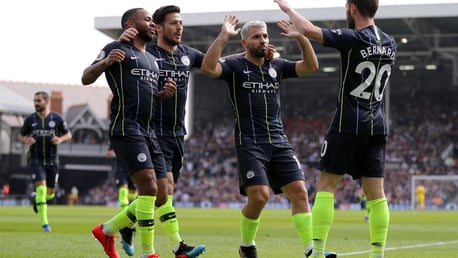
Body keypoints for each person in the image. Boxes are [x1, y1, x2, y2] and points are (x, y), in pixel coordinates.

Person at [200, 16, 336, 258]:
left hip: (279, 141)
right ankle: (246, 245)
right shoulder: (235, 69)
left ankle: (311, 249)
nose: (262, 40)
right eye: (256, 37)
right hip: (251, 143)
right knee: (260, 196)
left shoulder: (277, 66)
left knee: (300, 192)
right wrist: (223, 37)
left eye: (265, 36)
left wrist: (301, 37)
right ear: (244, 43)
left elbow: (310, 66)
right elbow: (209, 68)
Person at [274, 0, 397, 257]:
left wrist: (287, 8)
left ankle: (317, 252)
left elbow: (308, 28)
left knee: (326, 186)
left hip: (348, 122)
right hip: (377, 124)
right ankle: (378, 254)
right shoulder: (391, 42)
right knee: (377, 194)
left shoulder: (353, 38)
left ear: (353, 8)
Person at [81, 8, 176, 258]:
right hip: (126, 127)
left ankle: (107, 230)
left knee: (163, 194)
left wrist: (162, 95)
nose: (154, 25)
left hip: (150, 132)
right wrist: (106, 62)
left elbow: (145, 95)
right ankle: (149, 253)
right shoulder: (117, 47)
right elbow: (85, 77)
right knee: (149, 188)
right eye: (148, 20)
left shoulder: (153, 60)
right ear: (131, 24)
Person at [119, 5, 206, 258]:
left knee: (161, 196)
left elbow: (217, 62)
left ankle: (121, 225)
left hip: (178, 133)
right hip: (153, 131)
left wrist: (238, 48)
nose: (179, 27)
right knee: (163, 192)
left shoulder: (188, 54)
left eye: (181, 22)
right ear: (157, 28)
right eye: (173, 23)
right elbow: (134, 87)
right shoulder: (147, 53)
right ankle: (178, 246)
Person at [18, 91, 72, 232]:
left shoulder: (57, 118)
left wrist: (59, 139)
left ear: (47, 101)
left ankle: (37, 199)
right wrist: (26, 140)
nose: (36, 103)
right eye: (35, 101)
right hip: (36, 159)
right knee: (41, 188)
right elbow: (20, 136)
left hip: (53, 160)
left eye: (39, 101)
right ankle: (45, 225)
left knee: (50, 194)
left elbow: (68, 134)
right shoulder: (30, 119)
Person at [106, 144, 138, 256]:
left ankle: (129, 215)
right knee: (123, 190)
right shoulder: (118, 135)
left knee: (133, 194)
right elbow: (109, 153)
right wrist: (119, 152)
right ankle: (126, 219)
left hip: (134, 167)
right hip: (121, 168)